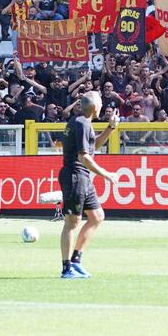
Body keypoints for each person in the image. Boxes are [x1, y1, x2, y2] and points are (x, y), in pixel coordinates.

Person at [59, 91, 122, 279]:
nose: (103, 105)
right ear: (95, 107)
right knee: (72, 222)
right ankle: (66, 268)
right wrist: (106, 174)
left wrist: (111, 128)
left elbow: (93, 147)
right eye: (101, 102)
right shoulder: (81, 124)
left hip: (82, 176)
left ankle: (76, 260)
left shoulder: (84, 123)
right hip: (75, 176)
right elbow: (84, 157)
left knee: (97, 216)